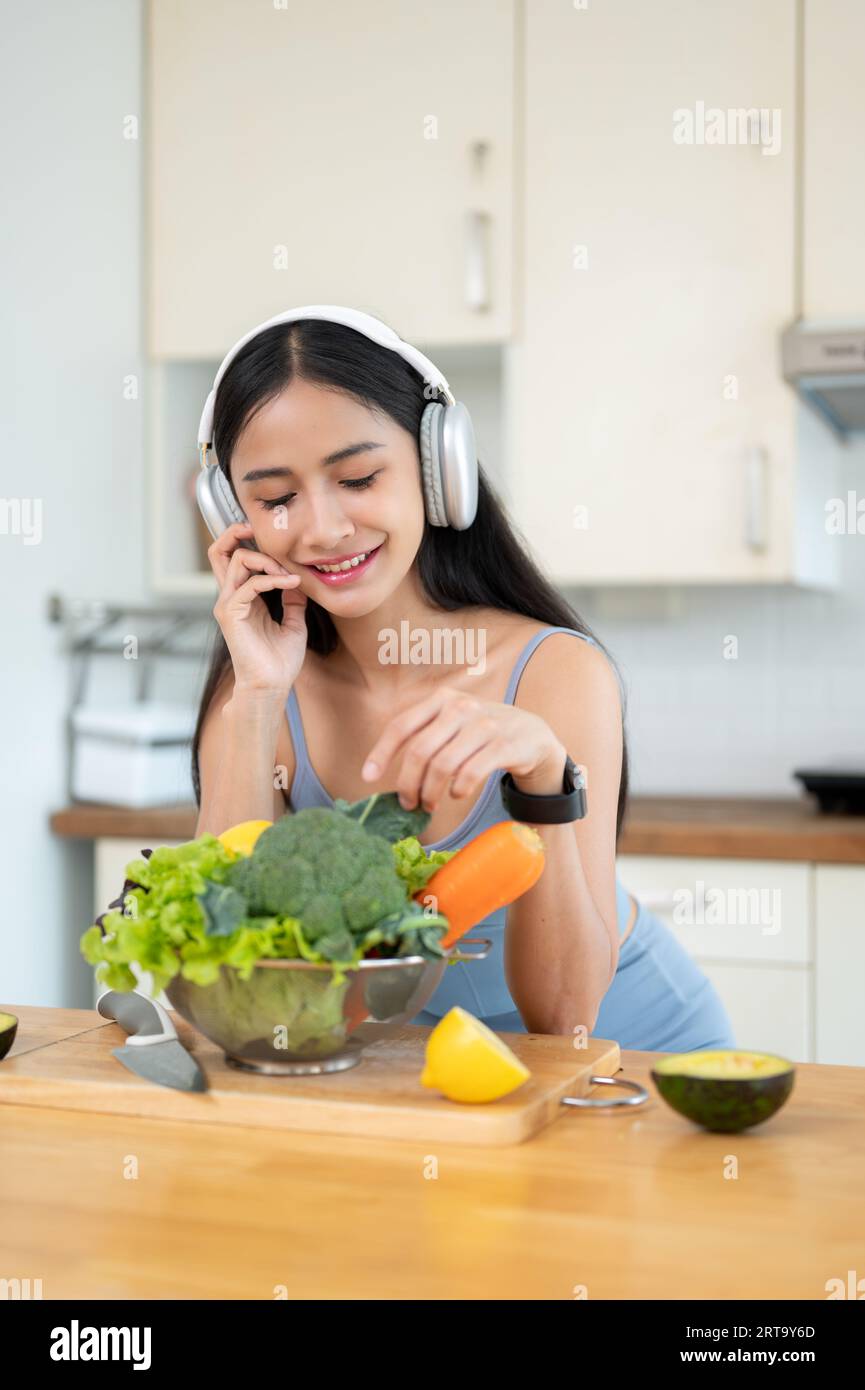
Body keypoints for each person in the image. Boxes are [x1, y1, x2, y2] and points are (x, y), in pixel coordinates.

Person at [191, 310, 735, 1052]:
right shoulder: (258, 692)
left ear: (434, 467)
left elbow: (565, 1020)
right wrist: (256, 698)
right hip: (427, 1073)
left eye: (356, 477)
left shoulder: (553, 672)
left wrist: (544, 776)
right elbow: (226, 989)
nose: (321, 528)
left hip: (631, 1057)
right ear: (233, 514)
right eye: (276, 498)